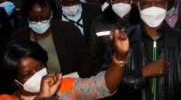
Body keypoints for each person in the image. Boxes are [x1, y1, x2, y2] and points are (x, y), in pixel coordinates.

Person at [102, 0, 181, 100]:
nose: (153, 8)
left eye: (158, 3)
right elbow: (105, 87)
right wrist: (142, 73)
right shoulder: (122, 42)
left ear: (166, 5)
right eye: (147, 3)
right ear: (138, 5)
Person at [0, 32, 129, 99]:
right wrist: (43, 97)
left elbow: (104, 86)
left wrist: (120, 57)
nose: (38, 75)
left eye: (39, 67)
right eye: (27, 74)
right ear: (14, 81)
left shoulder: (64, 87)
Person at [10, 0, 94, 78]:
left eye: (44, 18)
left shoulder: (69, 30)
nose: (39, 22)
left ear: (51, 13)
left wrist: (68, 79)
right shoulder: (18, 37)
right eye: (33, 19)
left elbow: (87, 63)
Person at [89, 0, 140, 72]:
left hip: (138, 74)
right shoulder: (98, 23)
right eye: (116, 0)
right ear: (111, 1)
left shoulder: (141, 21)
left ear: (131, 0)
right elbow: (94, 55)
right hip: (108, 74)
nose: (120, 3)